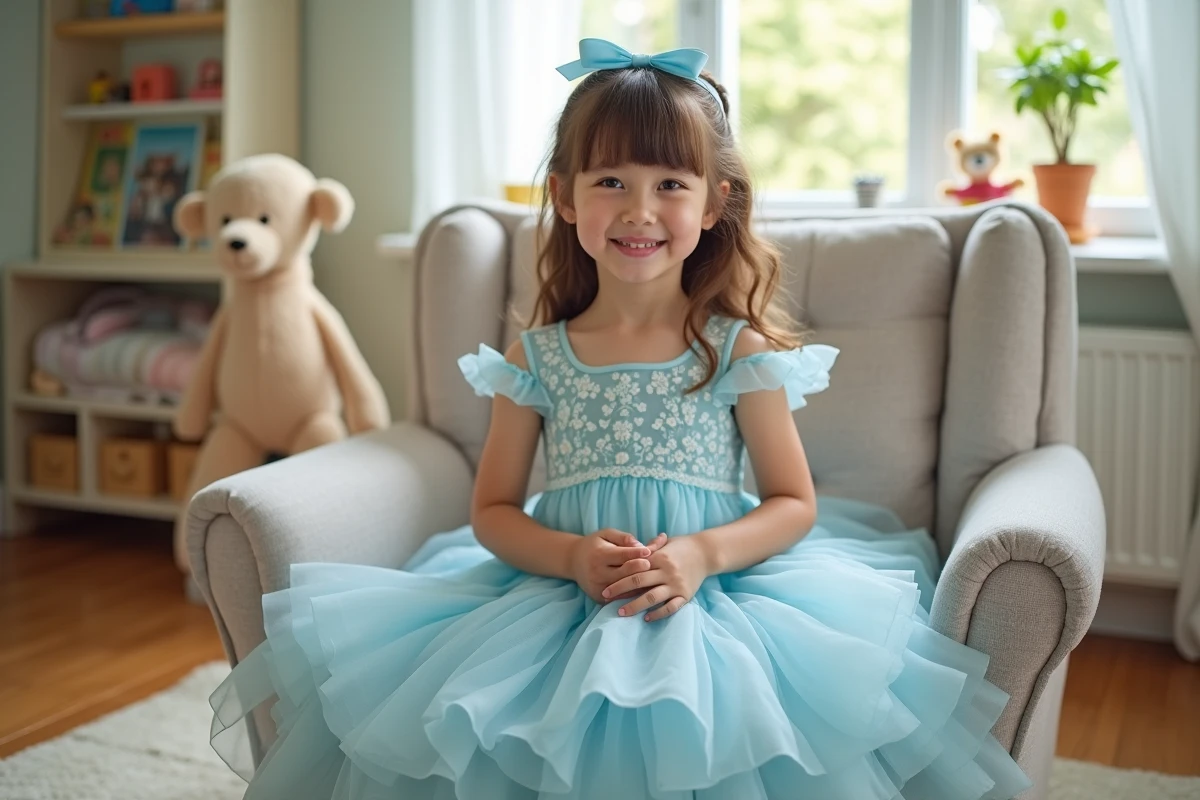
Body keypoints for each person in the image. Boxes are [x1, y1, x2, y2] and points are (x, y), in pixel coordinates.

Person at [207, 38, 1033, 800]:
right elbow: (491, 511)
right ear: (565, 198)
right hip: (556, 597)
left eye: (670, 184)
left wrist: (704, 554)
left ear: (715, 202)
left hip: (717, 594)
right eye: (612, 182)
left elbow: (794, 502)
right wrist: (568, 555)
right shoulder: (536, 358)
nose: (640, 210)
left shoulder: (736, 349)